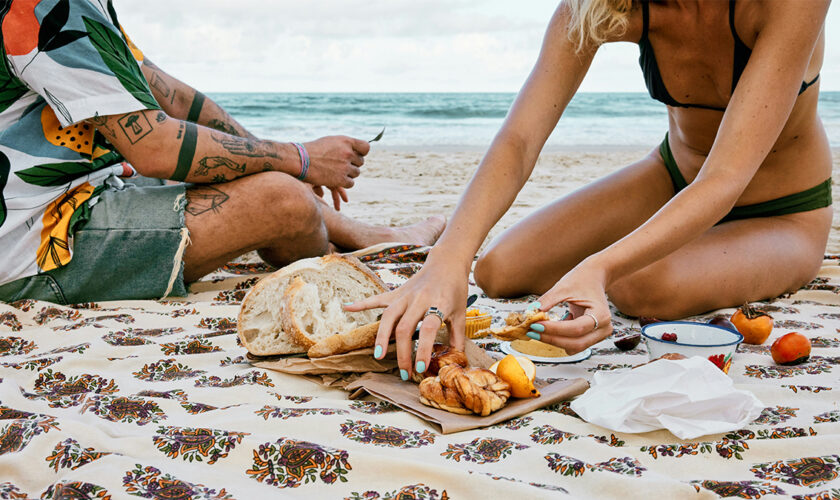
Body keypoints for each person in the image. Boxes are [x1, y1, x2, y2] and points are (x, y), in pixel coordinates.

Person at [347, 0, 832, 381]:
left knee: (637, 285)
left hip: (780, 211)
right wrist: (449, 259)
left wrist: (599, 268)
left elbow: (725, 179)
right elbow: (519, 141)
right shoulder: (605, 6)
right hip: (673, 177)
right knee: (497, 270)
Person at [0, 0, 444, 304]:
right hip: (29, 244)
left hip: (81, 191)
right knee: (282, 201)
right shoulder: (41, 7)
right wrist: (299, 160)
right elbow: (155, 147)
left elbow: (172, 95)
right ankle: (318, 247)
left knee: (250, 172)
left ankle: (362, 234)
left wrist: (289, 161)